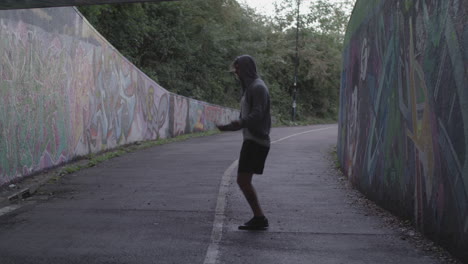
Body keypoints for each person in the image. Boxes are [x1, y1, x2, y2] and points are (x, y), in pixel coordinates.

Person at [216, 55, 271, 230]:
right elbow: (246, 118)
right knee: (243, 181)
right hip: (251, 140)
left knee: (243, 181)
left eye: (238, 69)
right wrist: (228, 128)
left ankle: (259, 217)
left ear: (246, 68)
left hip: (256, 141)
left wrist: (240, 123)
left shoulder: (258, 87)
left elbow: (257, 114)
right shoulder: (250, 89)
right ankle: (259, 217)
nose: (236, 73)